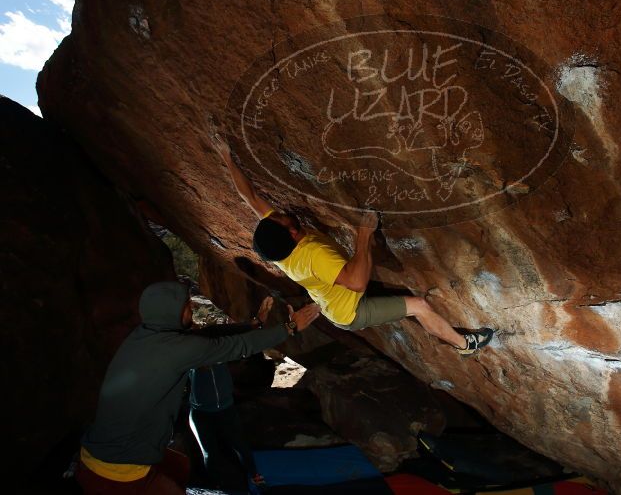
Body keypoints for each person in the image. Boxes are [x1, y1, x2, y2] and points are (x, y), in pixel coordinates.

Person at [210, 129, 493, 355]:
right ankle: (464, 346)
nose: (280, 213)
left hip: (333, 300)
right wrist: (363, 234)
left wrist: (225, 157)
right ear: (293, 234)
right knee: (418, 305)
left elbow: (251, 198)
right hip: (350, 311)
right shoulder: (313, 254)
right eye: (282, 219)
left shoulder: (281, 246)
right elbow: (357, 282)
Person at [76, 281, 320, 494]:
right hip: (118, 473)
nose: (191, 308)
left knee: (180, 466)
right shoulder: (175, 349)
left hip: (94, 456)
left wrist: (252, 324)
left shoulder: (145, 336)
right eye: (187, 305)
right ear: (172, 311)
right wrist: (289, 327)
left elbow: (210, 335)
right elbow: (237, 347)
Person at [187, 297, 279, 493]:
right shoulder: (183, 351)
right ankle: (215, 487)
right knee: (209, 453)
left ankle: (254, 475)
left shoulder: (213, 339)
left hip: (225, 408)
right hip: (201, 412)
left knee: (240, 446)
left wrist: (257, 322)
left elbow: (236, 333)